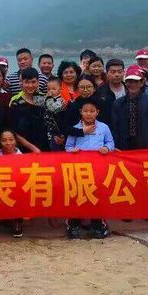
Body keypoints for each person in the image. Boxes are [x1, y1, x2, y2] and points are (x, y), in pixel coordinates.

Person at [64, 97, 114, 240]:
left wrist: (106, 148)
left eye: (92, 111)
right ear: (81, 112)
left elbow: (110, 142)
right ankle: (73, 225)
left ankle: (98, 225)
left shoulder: (104, 127)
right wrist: (72, 150)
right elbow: (68, 147)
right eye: (86, 111)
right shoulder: (75, 129)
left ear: (97, 112)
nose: (89, 114)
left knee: (97, 195)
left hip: (98, 168)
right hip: (79, 169)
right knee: (78, 195)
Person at [111, 65, 148, 150]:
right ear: (126, 83)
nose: (133, 84)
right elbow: (115, 127)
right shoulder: (118, 103)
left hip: (146, 144)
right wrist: (116, 144)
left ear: (142, 83)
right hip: (124, 145)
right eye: (130, 82)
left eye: (136, 82)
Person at [8, 68, 49, 153]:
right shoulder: (16, 102)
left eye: (33, 82)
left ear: (38, 82)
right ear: (22, 83)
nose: (30, 85)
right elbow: (14, 131)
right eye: (27, 82)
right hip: (25, 149)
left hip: (45, 146)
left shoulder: (42, 98)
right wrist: (32, 148)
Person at [94, 59, 124, 129]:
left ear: (123, 72)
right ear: (107, 73)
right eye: (113, 72)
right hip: (107, 128)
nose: (117, 75)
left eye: (120, 72)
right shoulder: (99, 91)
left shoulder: (129, 89)